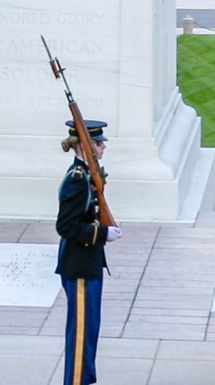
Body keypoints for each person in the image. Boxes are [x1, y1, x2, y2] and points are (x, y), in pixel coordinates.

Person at [56, 119, 123, 385]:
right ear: (86, 146)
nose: (103, 148)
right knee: (81, 335)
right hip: (79, 266)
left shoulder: (85, 175)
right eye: (99, 143)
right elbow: (66, 227)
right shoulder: (77, 180)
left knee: (89, 331)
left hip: (88, 263)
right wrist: (102, 234)